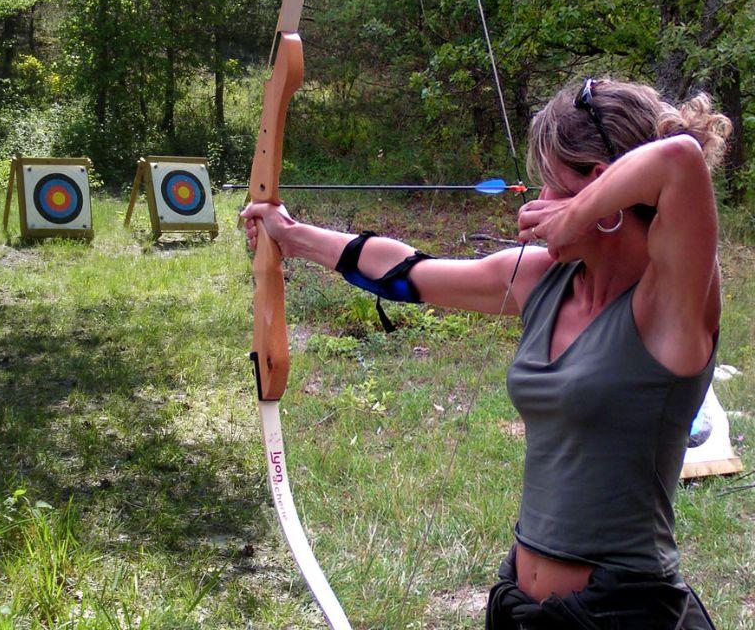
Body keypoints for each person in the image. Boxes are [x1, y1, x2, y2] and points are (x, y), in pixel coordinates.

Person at [241, 78, 732, 629]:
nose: (538, 204)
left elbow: (680, 160)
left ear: (599, 187)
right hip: (523, 606)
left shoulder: (671, 303)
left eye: (548, 186)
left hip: (625, 613)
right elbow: (409, 274)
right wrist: (291, 235)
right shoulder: (544, 279)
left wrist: (571, 217)